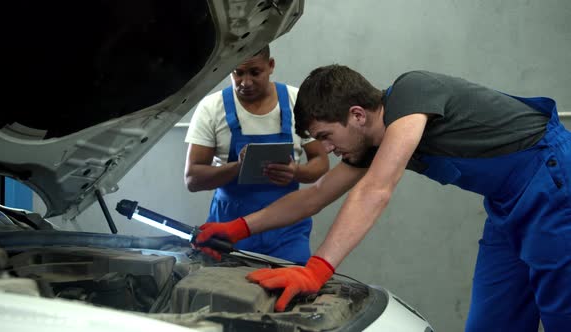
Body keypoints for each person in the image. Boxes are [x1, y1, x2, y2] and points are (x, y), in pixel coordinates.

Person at [195, 65, 571, 331]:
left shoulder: (412, 93)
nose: (325, 149)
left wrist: (316, 269)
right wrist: (237, 228)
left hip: (553, 183)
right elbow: (316, 196)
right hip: (507, 207)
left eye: (326, 136)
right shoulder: (371, 143)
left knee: (562, 315)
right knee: (492, 324)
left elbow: (377, 188)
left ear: (357, 115)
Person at [184, 46, 329, 265]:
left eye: (254, 72)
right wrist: (237, 167)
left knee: (291, 290)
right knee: (226, 291)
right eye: (238, 73)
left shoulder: (296, 100)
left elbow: (321, 161)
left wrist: (295, 172)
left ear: (270, 66)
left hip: (286, 227)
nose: (246, 82)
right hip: (229, 225)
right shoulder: (212, 108)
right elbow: (192, 179)